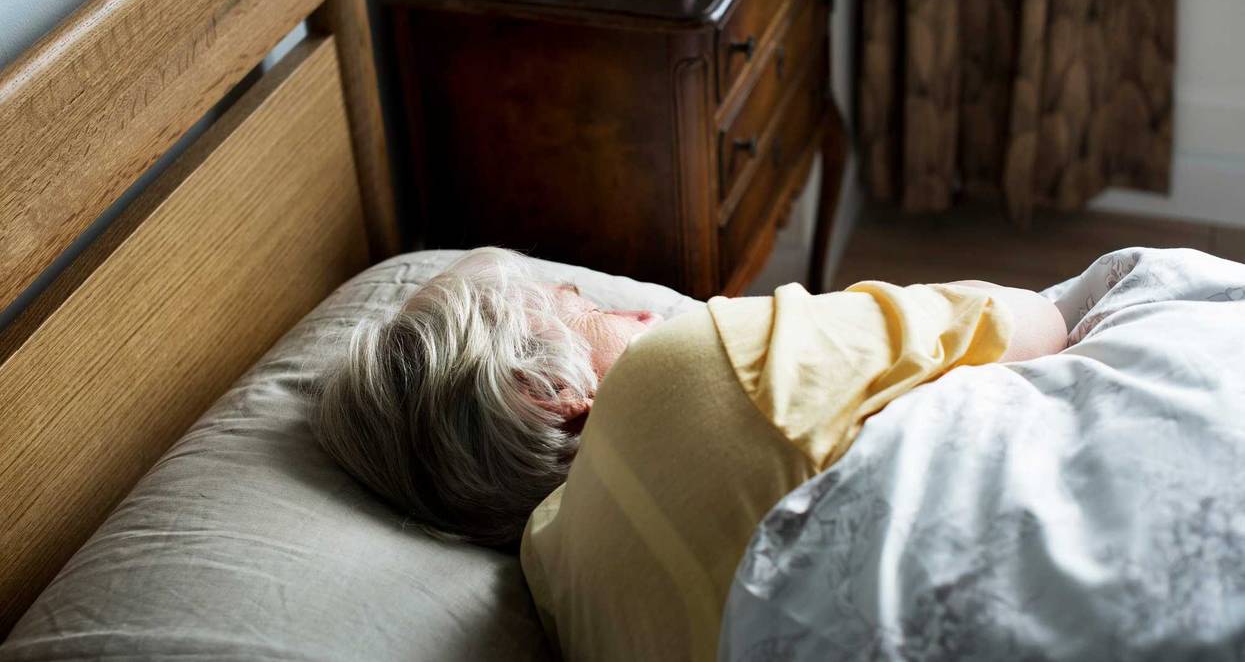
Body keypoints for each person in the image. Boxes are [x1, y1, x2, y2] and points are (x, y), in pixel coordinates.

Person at [311, 247, 1067, 660]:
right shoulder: (678, 366)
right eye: (591, 307)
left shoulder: (555, 582)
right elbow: (1033, 323)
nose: (641, 309)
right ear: (545, 391)